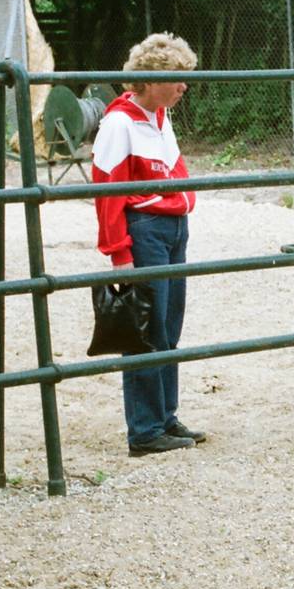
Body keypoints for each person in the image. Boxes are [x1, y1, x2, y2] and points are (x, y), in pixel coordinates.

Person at [92, 33, 206, 456]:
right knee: (146, 327)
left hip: (172, 228)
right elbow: (107, 191)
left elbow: (174, 168)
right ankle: (144, 429)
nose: (183, 86)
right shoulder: (119, 123)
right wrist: (119, 253)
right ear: (150, 79)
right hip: (145, 230)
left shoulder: (160, 118)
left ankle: (165, 416)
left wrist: (181, 201)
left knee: (168, 325)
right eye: (176, 78)